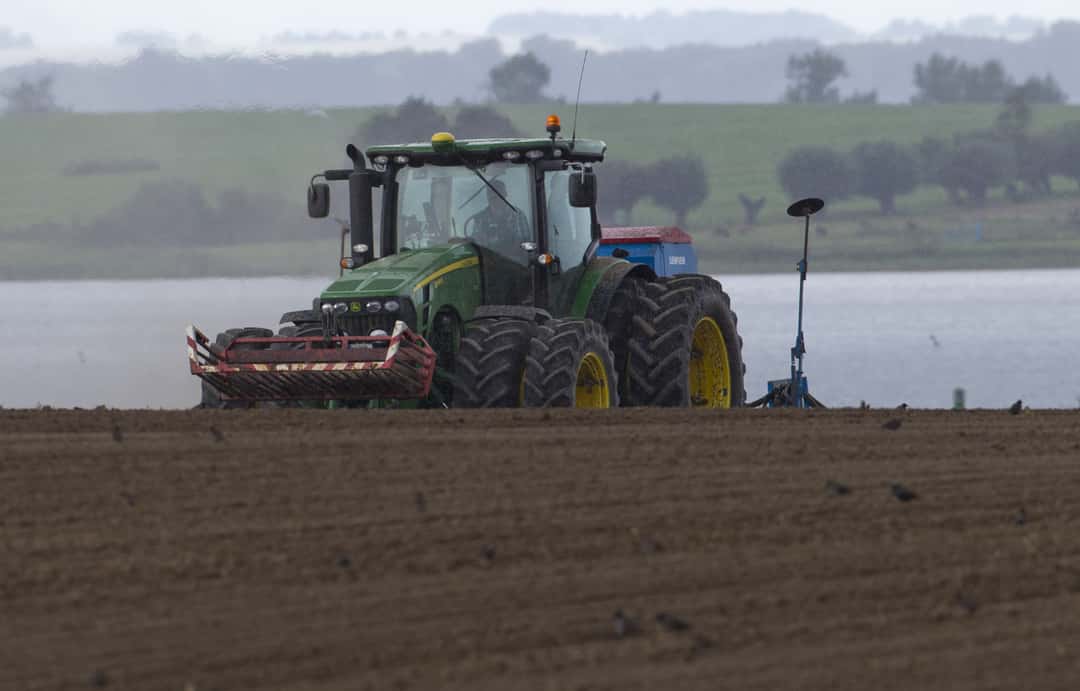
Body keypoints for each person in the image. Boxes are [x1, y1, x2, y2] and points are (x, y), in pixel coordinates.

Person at [466, 179, 531, 260]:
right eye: (491, 194)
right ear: (487, 197)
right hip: (487, 266)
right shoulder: (480, 218)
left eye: (498, 194)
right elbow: (476, 244)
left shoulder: (517, 215)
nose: (494, 197)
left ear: (505, 194)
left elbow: (525, 244)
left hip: (515, 265)